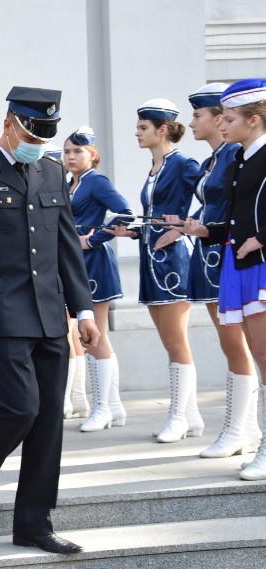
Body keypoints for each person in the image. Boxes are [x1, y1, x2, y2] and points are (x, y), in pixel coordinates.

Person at [0, 86, 100, 555]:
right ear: (10, 123)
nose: (39, 142)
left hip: (51, 315)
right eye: (33, 132)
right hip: (0, 315)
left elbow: (66, 247)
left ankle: (34, 521)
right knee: (20, 408)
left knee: (49, 419)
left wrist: (84, 310)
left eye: (46, 135)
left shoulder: (51, 171)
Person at [175, 78, 266, 480]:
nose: (223, 126)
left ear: (255, 119)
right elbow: (233, 215)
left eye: (229, 119)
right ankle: (252, 436)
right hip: (239, 260)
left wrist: (259, 240)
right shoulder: (242, 158)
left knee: (264, 357)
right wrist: (204, 231)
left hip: (258, 262)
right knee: (259, 357)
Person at [107, 99, 202, 443]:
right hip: (151, 258)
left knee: (176, 340)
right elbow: (154, 216)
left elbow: (212, 196)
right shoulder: (155, 167)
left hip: (174, 260)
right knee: (168, 340)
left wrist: (180, 230)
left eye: (142, 127)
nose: (136, 133)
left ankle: (178, 416)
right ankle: (190, 415)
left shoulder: (183, 164)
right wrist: (133, 232)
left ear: (162, 130)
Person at [62, 126, 133, 432]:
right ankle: (113, 406)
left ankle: (103, 407)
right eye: (66, 152)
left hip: (93, 263)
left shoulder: (97, 181)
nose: (70, 157)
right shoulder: (69, 184)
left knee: (94, 336)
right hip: (73, 264)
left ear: (91, 154)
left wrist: (92, 239)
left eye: (77, 151)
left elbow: (126, 214)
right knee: (87, 335)